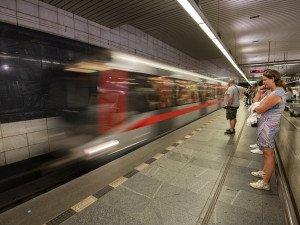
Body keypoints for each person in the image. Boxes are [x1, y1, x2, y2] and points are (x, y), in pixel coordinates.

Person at [249, 70, 286, 190]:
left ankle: (265, 183)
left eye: (265, 79)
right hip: (265, 125)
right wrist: (259, 93)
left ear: (273, 79)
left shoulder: (277, 94)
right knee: (266, 152)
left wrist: (254, 108)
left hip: (269, 127)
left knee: (268, 154)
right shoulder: (271, 91)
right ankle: (264, 172)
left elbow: (259, 108)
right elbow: (256, 103)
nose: (263, 82)